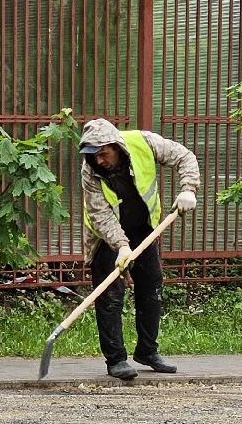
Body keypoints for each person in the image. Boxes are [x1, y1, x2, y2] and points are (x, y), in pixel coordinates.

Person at [79, 118, 201, 379]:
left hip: (143, 228)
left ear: (116, 146)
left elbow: (185, 157)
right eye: (93, 156)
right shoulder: (90, 171)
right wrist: (121, 246)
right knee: (110, 293)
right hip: (106, 235)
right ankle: (116, 359)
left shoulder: (144, 142)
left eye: (103, 153)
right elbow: (100, 215)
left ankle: (147, 350)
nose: (99, 160)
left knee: (151, 285)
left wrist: (188, 189)